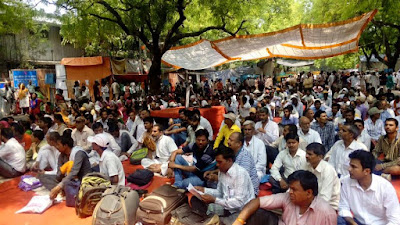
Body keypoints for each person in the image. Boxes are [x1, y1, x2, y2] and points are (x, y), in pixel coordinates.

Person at [232, 170, 337, 225]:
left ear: (309, 193)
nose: (289, 192)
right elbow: (257, 201)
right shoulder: (287, 198)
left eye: (294, 189)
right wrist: (239, 221)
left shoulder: (326, 213)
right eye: (290, 188)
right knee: (257, 213)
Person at [193, 147, 255, 225]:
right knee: (207, 208)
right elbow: (220, 192)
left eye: (220, 162)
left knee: (221, 220)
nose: (217, 165)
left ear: (229, 161)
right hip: (228, 207)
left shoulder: (240, 174)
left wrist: (215, 200)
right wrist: (204, 190)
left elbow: (239, 202)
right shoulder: (222, 172)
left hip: (242, 211)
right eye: (217, 162)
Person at [338, 150, 400, 225]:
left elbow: (395, 219)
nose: (349, 169)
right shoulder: (346, 181)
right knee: (338, 220)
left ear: (367, 171)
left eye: (353, 167)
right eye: (350, 165)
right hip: (357, 222)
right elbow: (343, 207)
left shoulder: (385, 187)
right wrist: (353, 223)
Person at [49, 130, 92, 199]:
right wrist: (64, 169)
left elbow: (74, 173)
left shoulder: (79, 153)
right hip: (68, 180)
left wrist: (59, 186)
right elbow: (58, 174)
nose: (56, 147)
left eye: (58, 145)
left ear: (65, 145)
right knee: (44, 177)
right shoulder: (61, 156)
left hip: (82, 181)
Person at [305, 143, 340, 210]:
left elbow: (325, 198)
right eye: (306, 153)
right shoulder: (306, 165)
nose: (306, 156)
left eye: (310, 154)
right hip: (310, 201)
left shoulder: (328, 170)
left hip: (329, 205)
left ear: (320, 157)